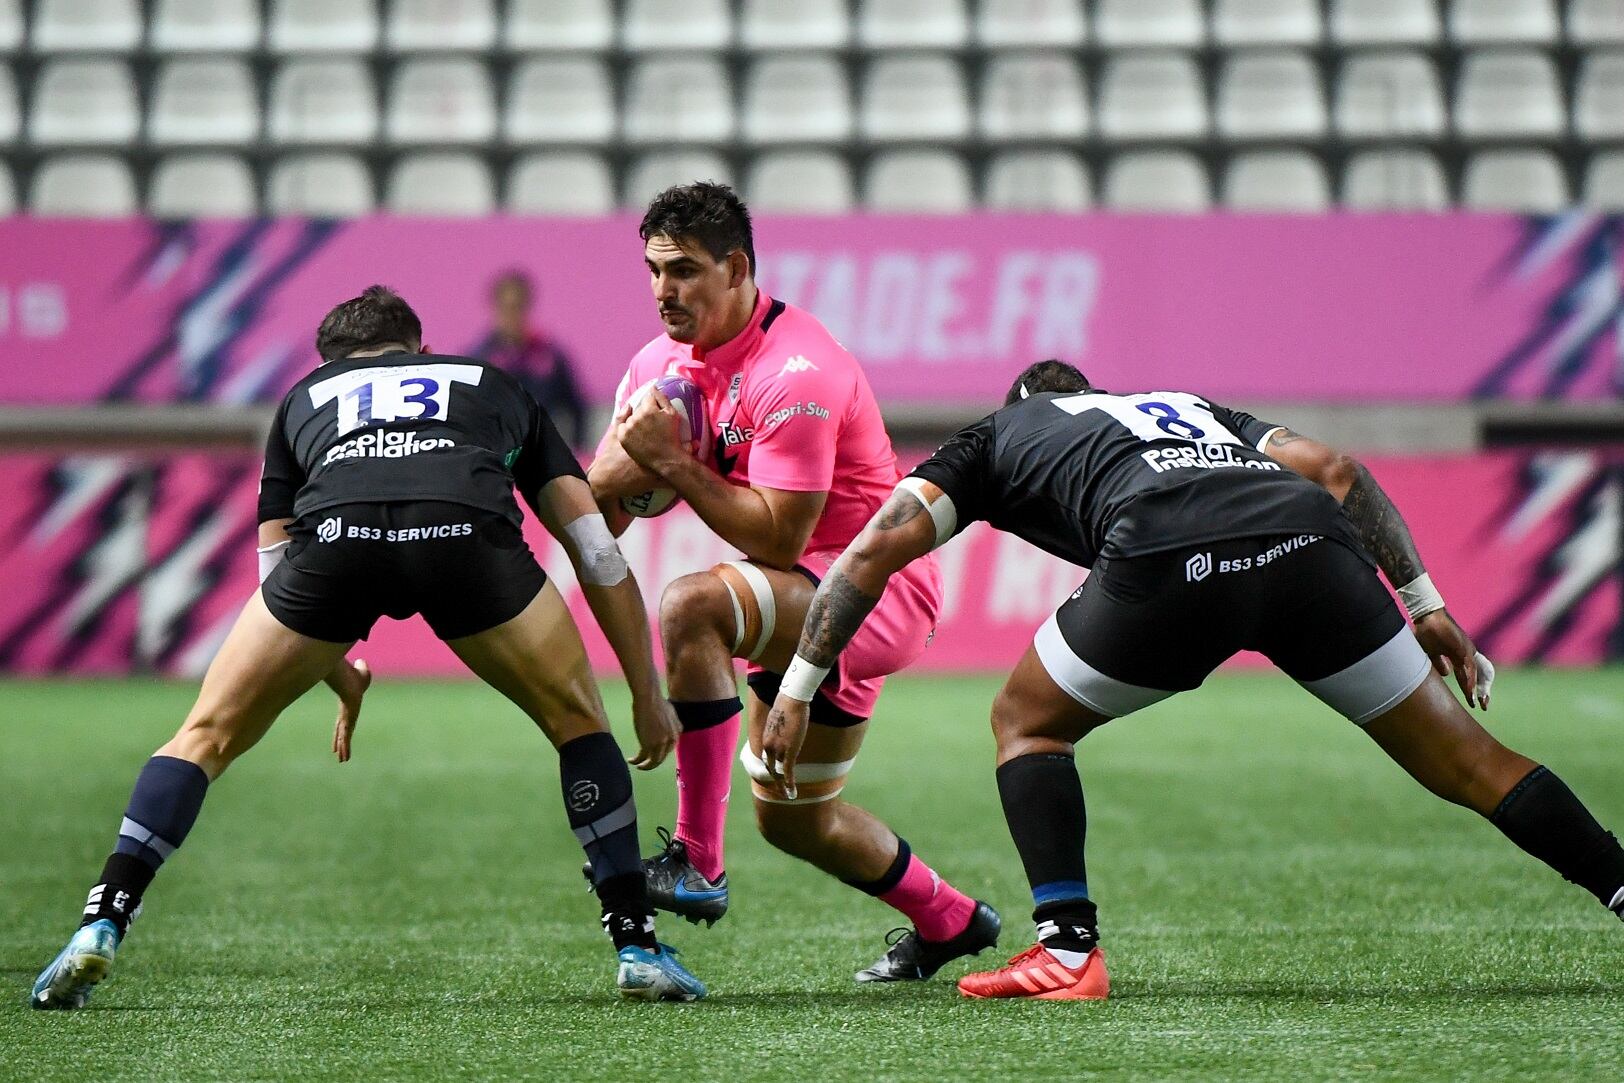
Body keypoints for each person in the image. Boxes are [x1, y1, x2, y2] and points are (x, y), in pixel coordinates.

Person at [762, 359, 1624, 1001]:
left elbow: (871, 552)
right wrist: (1425, 603)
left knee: (1027, 719)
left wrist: (797, 689)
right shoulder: (1186, 406)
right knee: (1471, 759)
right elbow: (1337, 471)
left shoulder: (996, 434)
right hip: (1309, 542)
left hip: (1171, 551)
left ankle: (1067, 949)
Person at [30, 285, 706, 1010]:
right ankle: (636, 945)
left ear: (332, 364)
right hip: (464, 537)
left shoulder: (301, 400)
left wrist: (334, 668)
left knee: (203, 736)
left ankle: (101, 921)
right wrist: (645, 690)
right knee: (579, 725)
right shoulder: (490, 380)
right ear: (421, 349)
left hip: (336, 542)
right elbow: (595, 550)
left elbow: (276, 577)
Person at [589, 183, 1000, 982]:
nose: (664, 290)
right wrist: (621, 474)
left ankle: (697, 859)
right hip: (789, 592)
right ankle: (952, 918)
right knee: (795, 820)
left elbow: (780, 533)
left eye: (684, 270)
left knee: (692, 605)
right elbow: (602, 512)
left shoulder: (798, 369)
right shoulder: (654, 366)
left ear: (737, 268)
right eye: (654, 270)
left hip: (876, 590)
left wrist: (670, 462)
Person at [472, 270, 588, 449]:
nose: (512, 316)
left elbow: (577, 407)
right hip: (495, 452)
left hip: (540, 450)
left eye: (517, 307)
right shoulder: (478, 361)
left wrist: (576, 449)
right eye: (506, 308)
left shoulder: (550, 357)